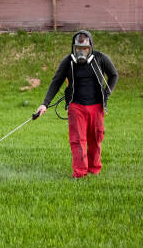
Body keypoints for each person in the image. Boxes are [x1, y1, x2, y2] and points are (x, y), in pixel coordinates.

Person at [36, 30, 118, 178]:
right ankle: (80, 173)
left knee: (95, 138)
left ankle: (94, 169)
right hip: (76, 107)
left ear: (90, 47)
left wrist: (107, 93)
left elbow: (114, 75)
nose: (81, 51)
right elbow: (56, 82)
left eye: (85, 48)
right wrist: (45, 104)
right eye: (78, 48)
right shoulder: (68, 62)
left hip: (97, 107)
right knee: (77, 140)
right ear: (74, 48)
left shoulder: (100, 58)